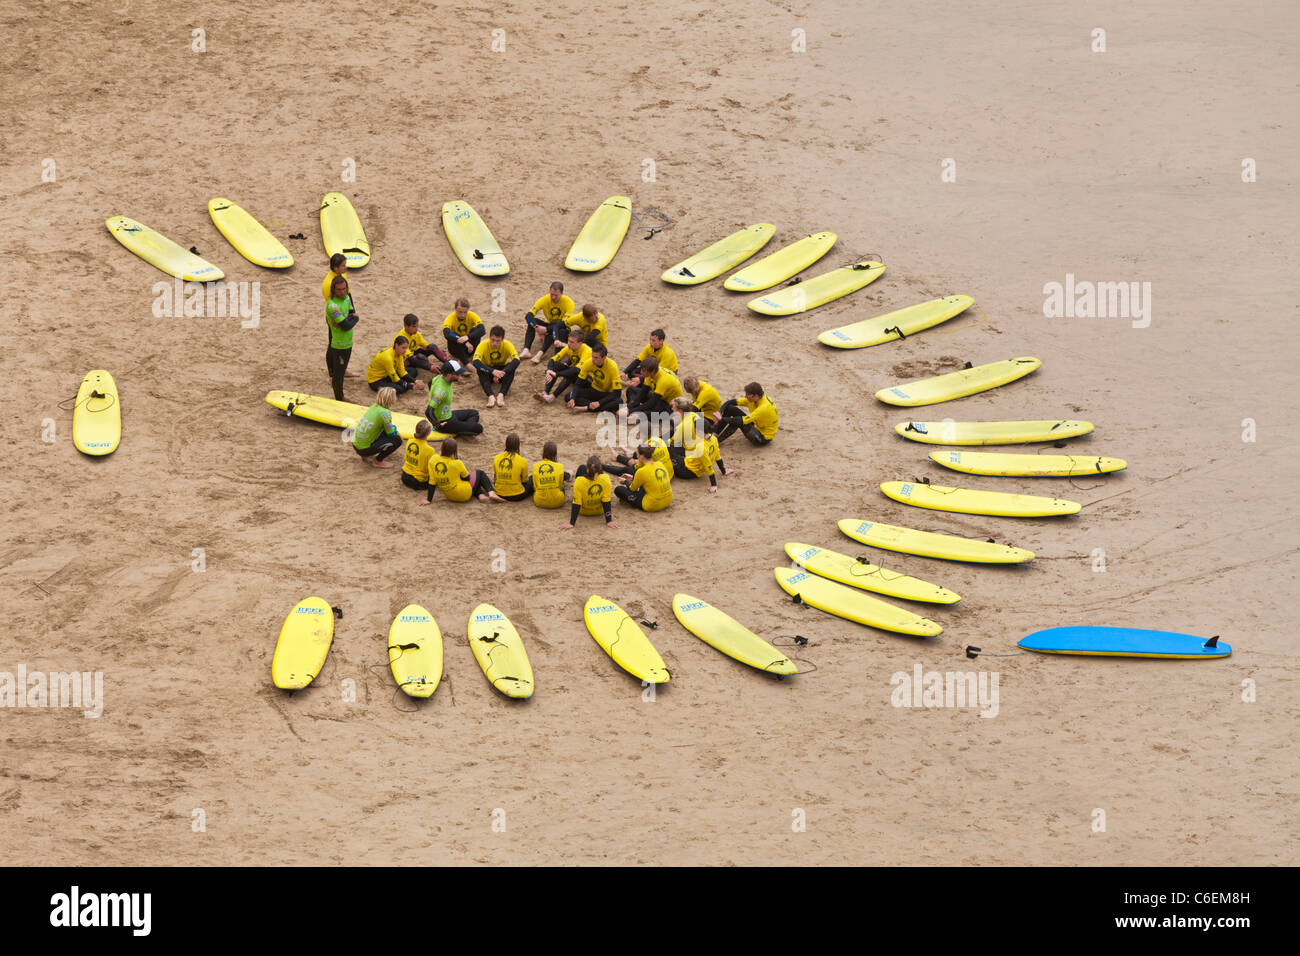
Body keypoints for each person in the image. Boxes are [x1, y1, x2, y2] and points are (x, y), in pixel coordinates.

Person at [667, 396, 730, 493]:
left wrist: (714, 485)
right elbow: (717, 455)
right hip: (693, 454)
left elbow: (708, 466)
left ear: (680, 411)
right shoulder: (713, 438)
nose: (671, 409)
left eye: (673, 407)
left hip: (688, 471)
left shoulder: (684, 428)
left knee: (667, 448)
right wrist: (723, 470)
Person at [424, 437, 503, 504]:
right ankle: (491, 492)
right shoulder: (457, 463)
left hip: (449, 496)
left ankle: (480, 495)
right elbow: (467, 479)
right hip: (463, 494)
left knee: (473, 483)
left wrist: (428, 500)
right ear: (454, 451)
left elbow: (432, 482)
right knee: (479, 474)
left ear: (442, 447)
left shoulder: (433, 460)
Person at [520, 282, 576, 362]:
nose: (553, 297)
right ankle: (526, 350)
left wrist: (546, 329)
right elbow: (528, 316)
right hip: (550, 325)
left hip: (564, 328)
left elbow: (562, 324)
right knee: (533, 322)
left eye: (556, 295)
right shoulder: (544, 299)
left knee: (558, 329)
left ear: (562, 293)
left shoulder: (569, 302)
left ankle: (540, 353)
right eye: (551, 294)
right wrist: (536, 327)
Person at [325, 275, 360, 401]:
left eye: (344, 288)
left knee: (342, 370)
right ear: (333, 289)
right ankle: (340, 399)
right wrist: (354, 319)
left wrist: (349, 320)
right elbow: (346, 325)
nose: (342, 291)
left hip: (348, 343)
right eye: (339, 289)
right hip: (339, 346)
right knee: (338, 376)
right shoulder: (332, 306)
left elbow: (351, 314)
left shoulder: (346, 298)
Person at [560, 454, 618, 530]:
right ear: (600, 468)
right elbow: (606, 500)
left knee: (581, 468)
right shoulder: (606, 478)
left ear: (588, 469)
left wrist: (572, 523)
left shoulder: (579, 481)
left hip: (583, 511)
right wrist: (609, 521)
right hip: (599, 511)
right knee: (598, 477)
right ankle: (594, 466)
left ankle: (591, 466)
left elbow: (576, 503)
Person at [622, 329, 678, 406]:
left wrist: (640, 379)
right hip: (652, 368)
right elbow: (638, 360)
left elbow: (657, 372)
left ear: (661, 341)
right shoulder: (649, 347)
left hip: (665, 372)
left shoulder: (667, 353)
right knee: (632, 372)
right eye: (650, 339)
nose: (651, 342)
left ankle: (644, 388)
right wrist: (624, 372)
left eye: (654, 340)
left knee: (644, 380)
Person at [425, 360, 482, 435]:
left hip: (449, 415)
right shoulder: (441, 392)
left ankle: (462, 426)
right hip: (445, 422)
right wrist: (437, 425)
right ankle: (461, 428)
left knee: (474, 413)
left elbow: (430, 383)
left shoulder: (438, 378)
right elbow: (428, 411)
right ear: (449, 375)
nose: (460, 375)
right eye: (457, 374)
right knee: (479, 428)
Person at [536, 327, 591, 403]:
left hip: (588, 380)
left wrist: (557, 374)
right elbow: (553, 360)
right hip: (577, 374)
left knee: (572, 373)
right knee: (556, 366)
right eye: (568, 341)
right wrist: (549, 370)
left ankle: (553, 396)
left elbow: (577, 370)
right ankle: (545, 392)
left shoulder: (586, 350)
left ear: (580, 343)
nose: (568, 343)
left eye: (572, 342)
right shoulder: (569, 347)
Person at [352, 387, 402, 468]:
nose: (397, 397)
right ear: (390, 399)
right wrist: (397, 432)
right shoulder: (385, 413)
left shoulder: (374, 406)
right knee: (397, 440)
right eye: (395, 396)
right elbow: (390, 433)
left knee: (379, 430)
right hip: (363, 449)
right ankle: (378, 461)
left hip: (355, 444)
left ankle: (364, 456)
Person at [614, 444, 673, 512]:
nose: (637, 456)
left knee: (619, 489)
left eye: (638, 454)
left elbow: (632, 488)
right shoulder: (660, 464)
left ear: (641, 456)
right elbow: (651, 479)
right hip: (668, 500)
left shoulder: (641, 471)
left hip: (652, 505)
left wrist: (625, 481)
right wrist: (633, 478)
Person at [472, 325, 520, 407]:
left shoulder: (507, 344)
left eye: (498, 341)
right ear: (489, 337)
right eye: (493, 340)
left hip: (502, 370)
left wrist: (502, 372)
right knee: (480, 368)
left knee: (511, 367)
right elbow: (475, 362)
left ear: (502, 339)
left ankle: (501, 394)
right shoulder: (483, 345)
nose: (495, 343)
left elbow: (517, 360)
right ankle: (490, 396)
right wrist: (493, 372)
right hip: (489, 370)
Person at [567, 343, 622, 414]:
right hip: (594, 390)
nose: (593, 359)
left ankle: (586, 408)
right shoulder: (588, 363)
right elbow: (578, 384)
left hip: (606, 394)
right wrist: (573, 399)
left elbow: (617, 393)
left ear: (604, 357)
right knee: (568, 396)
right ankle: (593, 406)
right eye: (592, 356)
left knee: (619, 401)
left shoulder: (612, 366)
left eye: (596, 358)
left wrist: (599, 403)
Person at [442, 298, 486, 364]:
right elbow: (446, 333)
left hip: (470, 349)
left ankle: (464, 360)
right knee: (452, 334)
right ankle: (464, 361)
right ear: (455, 309)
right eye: (460, 312)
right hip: (456, 349)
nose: (463, 315)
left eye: (465, 312)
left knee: (475, 330)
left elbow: (482, 330)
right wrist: (464, 341)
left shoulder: (472, 315)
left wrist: (468, 337)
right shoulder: (450, 318)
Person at [603, 434, 670, 477]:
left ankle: (602, 465)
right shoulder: (658, 439)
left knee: (627, 469)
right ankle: (620, 456)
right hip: (668, 471)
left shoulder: (643, 470)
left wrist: (635, 461)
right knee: (635, 461)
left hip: (659, 475)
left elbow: (633, 487)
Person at [492, 433, 532, 502]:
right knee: (532, 479)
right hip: (517, 496)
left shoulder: (496, 458)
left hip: (499, 493)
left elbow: (495, 477)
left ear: (506, 444)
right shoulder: (523, 461)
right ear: (518, 445)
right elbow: (525, 481)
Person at [400, 420, 438, 493]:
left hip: (404, 477)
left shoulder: (410, 441)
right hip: (418, 482)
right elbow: (429, 469)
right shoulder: (429, 450)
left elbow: (406, 458)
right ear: (429, 433)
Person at [531, 442, 569, 509]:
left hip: (539, 501)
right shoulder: (560, 466)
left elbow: (535, 486)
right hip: (558, 502)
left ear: (543, 452)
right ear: (555, 454)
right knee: (561, 481)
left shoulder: (535, 466)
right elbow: (560, 486)